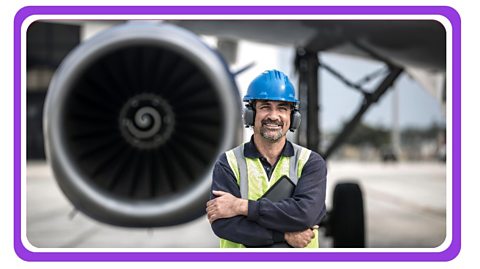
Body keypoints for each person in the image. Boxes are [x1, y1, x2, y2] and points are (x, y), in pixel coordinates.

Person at [206, 69, 327, 248]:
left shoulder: (311, 162)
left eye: (282, 108)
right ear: (250, 114)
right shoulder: (229, 163)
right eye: (265, 107)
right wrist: (284, 235)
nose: (273, 115)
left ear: (293, 118)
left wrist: (242, 207)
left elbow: (304, 215)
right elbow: (225, 225)